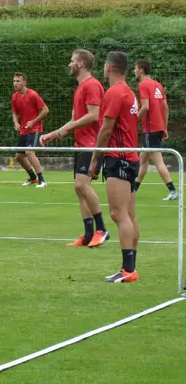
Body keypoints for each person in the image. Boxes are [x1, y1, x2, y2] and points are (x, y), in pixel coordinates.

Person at [41, 50, 109, 248]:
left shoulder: (92, 85)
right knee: (79, 190)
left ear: (80, 63)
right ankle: (88, 235)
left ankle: (102, 229)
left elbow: (94, 115)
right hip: (81, 144)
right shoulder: (80, 87)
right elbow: (75, 119)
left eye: (71, 61)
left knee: (82, 186)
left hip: (92, 144)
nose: (69, 64)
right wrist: (55, 133)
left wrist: (66, 129)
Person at [88, 51, 140, 283]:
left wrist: (95, 161)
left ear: (108, 67)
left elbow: (106, 129)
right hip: (131, 158)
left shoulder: (115, 92)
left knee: (119, 214)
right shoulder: (129, 91)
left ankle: (128, 270)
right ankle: (130, 268)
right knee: (128, 214)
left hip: (118, 159)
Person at [133, 59, 178, 200]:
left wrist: (133, 122)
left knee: (158, 161)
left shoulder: (143, 85)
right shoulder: (158, 85)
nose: (134, 71)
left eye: (135, 68)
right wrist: (164, 127)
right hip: (157, 128)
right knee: (143, 160)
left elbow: (145, 106)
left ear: (140, 69)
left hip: (150, 128)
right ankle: (133, 190)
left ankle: (173, 191)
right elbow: (165, 107)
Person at [11, 73, 48, 187]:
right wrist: (16, 122)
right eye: (14, 81)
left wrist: (33, 121)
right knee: (19, 156)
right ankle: (33, 178)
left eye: (18, 81)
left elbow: (45, 110)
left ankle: (42, 180)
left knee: (29, 152)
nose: (15, 83)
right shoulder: (15, 96)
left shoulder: (33, 95)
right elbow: (15, 112)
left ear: (24, 82)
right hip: (24, 130)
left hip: (35, 128)